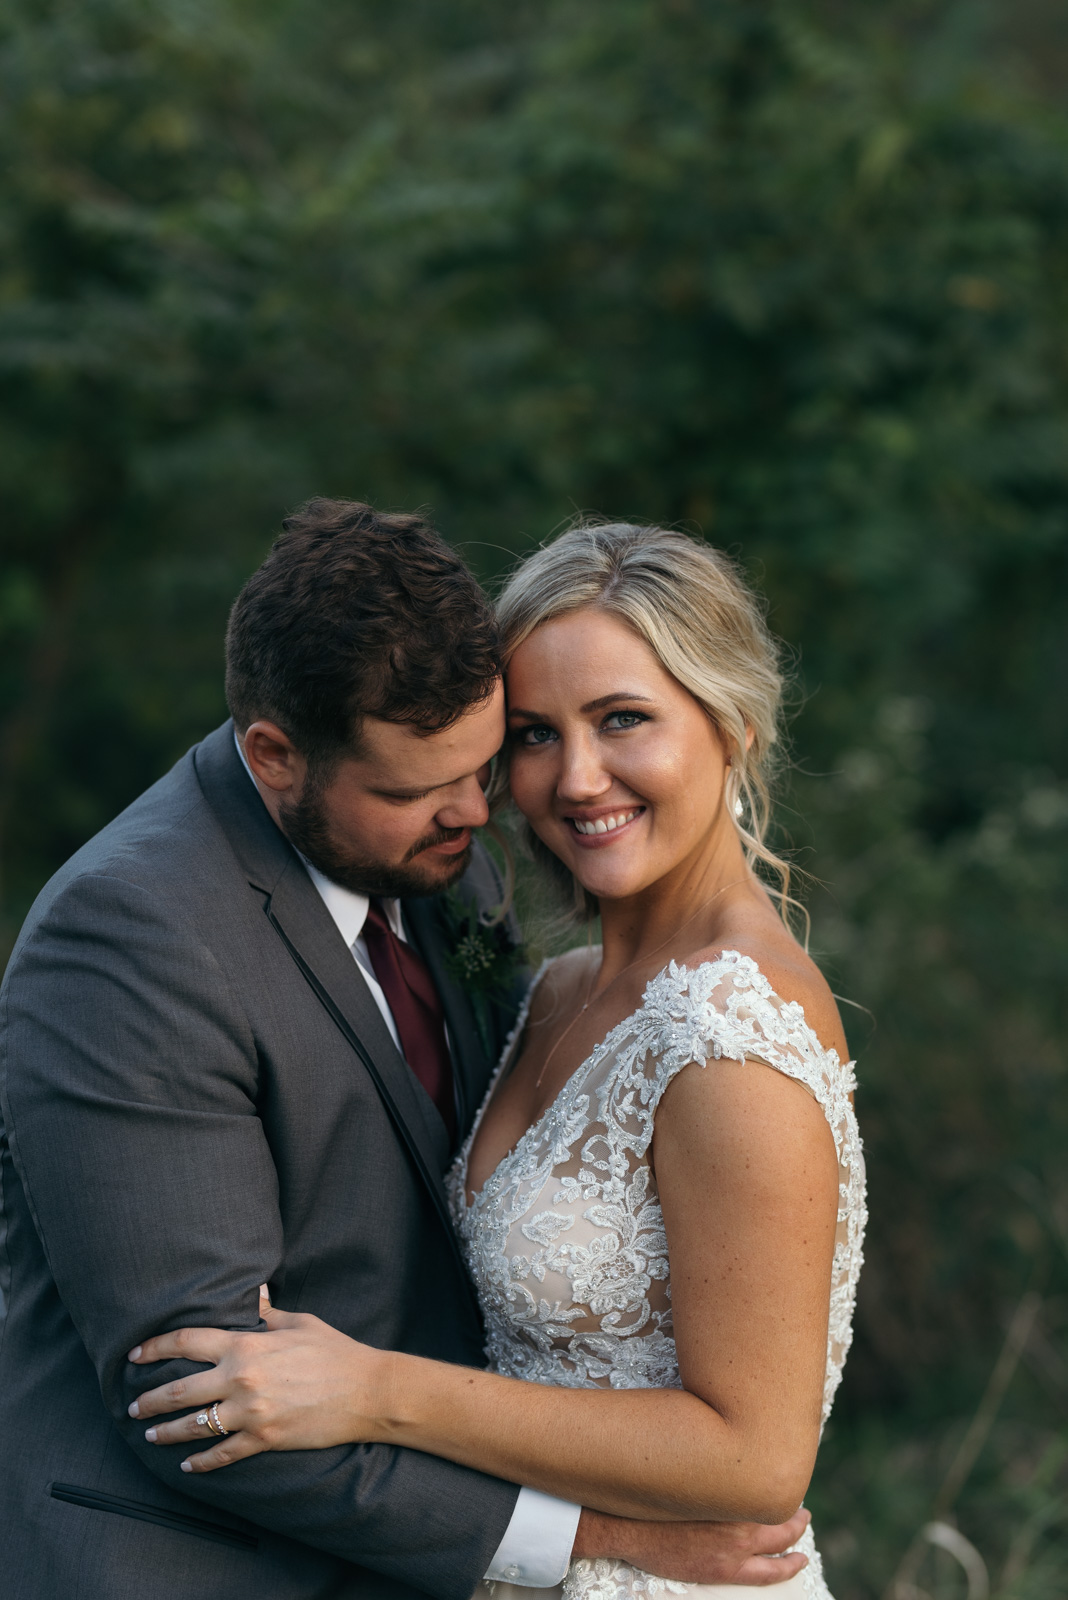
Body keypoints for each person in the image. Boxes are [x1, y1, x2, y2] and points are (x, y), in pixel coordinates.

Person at [0, 503, 810, 1600]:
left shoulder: (445, 862)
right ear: (276, 755)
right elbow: (197, 1392)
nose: (481, 813)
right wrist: (595, 1534)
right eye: (413, 789)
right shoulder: (132, 938)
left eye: (486, 761)